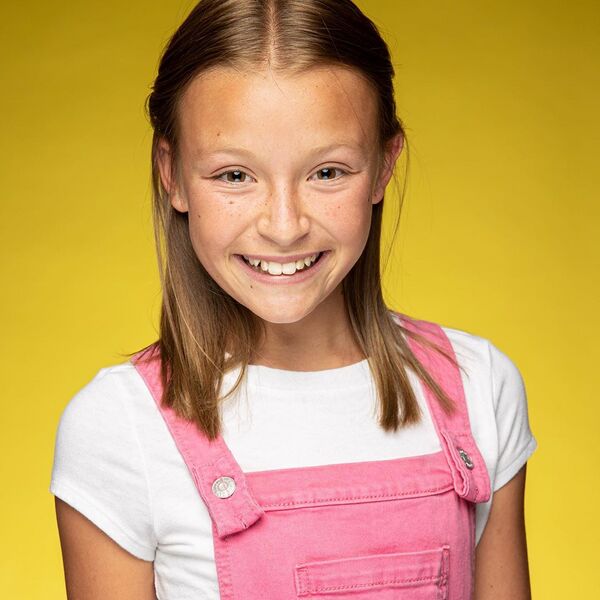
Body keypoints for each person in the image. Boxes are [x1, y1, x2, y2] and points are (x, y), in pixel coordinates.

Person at [50, 0, 537, 598]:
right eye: (234, 175)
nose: (284, 227)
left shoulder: (479, 387)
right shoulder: (118, 427)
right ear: (171, 173)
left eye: (327, 172)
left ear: (384, 165)